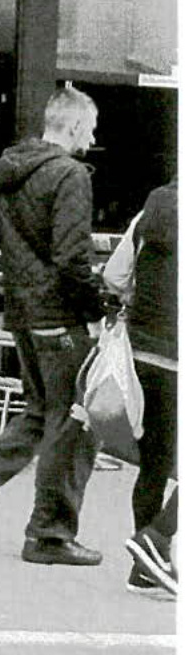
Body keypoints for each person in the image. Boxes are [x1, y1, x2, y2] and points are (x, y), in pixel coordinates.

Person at [0, 85, 104, 566]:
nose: (93, 137)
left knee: (42, 412)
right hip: (59, 317)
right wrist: (98, 307)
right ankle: (49, 534)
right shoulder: (70, 175)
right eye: (92, 128)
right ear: (76, 126)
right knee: (75, 421)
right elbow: (71, 257)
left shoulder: (15, 172)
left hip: (22, 313)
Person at [113, 178, 177, 594]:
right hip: (177, 360)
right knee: (163, 463)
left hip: (139, 355)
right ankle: (155, 539)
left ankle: (146, 567)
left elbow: (114, 276)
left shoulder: (147, 215)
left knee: (154, 464)